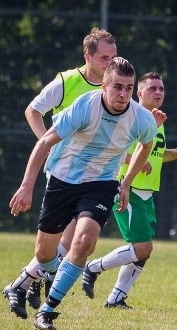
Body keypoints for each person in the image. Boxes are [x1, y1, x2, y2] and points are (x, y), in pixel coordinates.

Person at [3, 57, 166, 330]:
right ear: (104, 86)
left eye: (128, 88)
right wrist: (26, 186)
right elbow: (44, 143)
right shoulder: (84, 107)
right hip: (63, 179)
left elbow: (146, 145)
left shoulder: (140, 117)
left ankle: (47, 311)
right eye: (117, 87)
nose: (123, 94)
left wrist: (126, 183)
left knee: (85, 241)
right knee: (44, 253)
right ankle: (39, 278)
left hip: (102, 184)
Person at [21, 28, 118, 309]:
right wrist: (46, 143)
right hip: (65, 171)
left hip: (96, 174)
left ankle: (30, 282)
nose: (110, 63)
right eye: (104, 58)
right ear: (87, 56)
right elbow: (33, 110)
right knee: (69, 238)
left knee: (74, 239)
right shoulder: (67, 82)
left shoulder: (114, 86)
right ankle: (28, 281)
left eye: (113, 57)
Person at [81, 72, 177, 309]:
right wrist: (135, 161)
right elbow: (118, 150)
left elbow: (154, 154)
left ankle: (117, 298)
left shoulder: (156, 120)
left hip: (146, 194)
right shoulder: (132, 117)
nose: (158, 92)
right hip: (127, 189)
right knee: (142, 247)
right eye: (152, 88)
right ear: (139, 93)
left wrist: (174, 153)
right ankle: (92, 268)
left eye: (161, 89)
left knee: (143, 250)